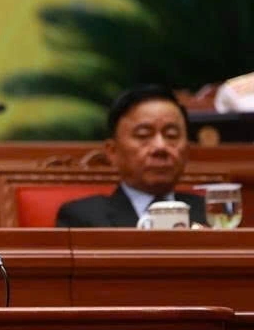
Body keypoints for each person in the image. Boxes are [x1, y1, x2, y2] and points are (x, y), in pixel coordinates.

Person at [56, 85, 205, 227]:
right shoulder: (83, 218)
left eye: (171, 135)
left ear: (187, 150)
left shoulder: (209, 214)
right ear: (112, 151)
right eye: (143, 135)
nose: (160, 147)